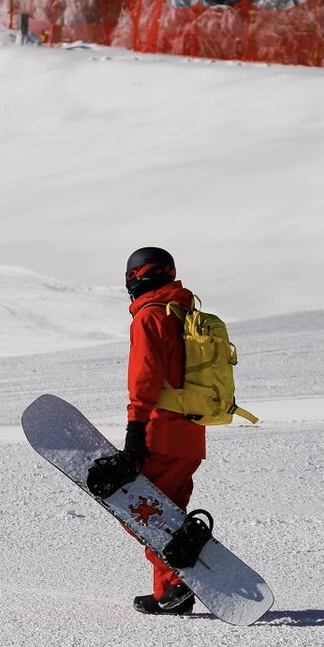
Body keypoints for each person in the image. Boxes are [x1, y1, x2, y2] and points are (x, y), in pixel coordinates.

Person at [121, 246, 205, 616]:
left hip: (161, 430)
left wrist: (135, 430)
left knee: (142, 512)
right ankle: (167, 591)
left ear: (134, 279)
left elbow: (145, 378)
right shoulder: (186, 312)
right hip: (192, 432)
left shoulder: (149, 317)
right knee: (168, 511)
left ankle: (178, 583)